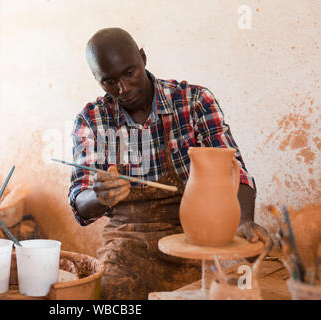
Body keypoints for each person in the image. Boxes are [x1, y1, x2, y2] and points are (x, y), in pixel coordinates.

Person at [68, 27, 270, 300]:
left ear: (143, 57)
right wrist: (99, 195)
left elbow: (235, 172)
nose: (123, 89)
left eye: (129, 73)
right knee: (109, 295)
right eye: (109, 82)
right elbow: (80, 203)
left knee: (237, 288)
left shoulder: (194, 101)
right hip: (127, 244)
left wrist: (243, 222)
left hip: (197, 236)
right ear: (97, 79)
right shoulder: (92, 120)